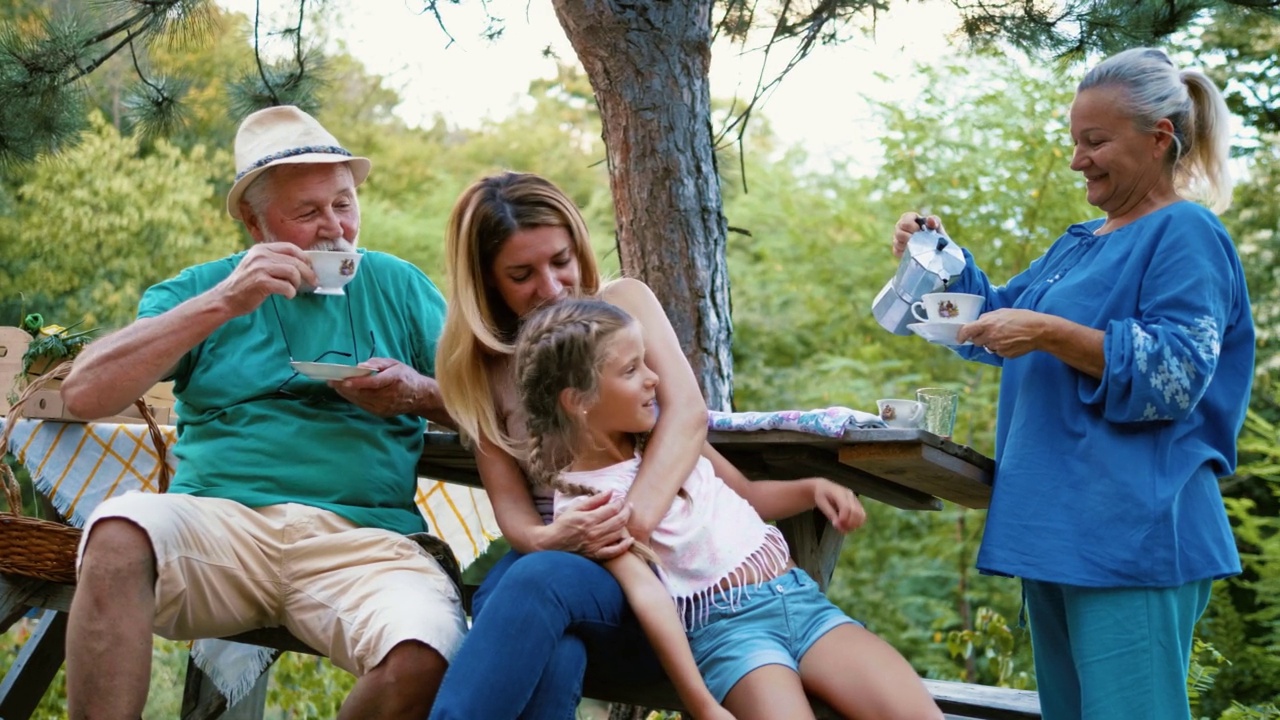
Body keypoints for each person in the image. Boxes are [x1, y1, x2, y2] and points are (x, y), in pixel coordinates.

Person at [430, 172, 911, 718]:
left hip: (661, 565)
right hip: (571, 549)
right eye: (522, 275)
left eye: (560, 260)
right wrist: (556, 537)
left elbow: (687, 416)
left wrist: (627, 528)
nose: (553, 286)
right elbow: (513, 512)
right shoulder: (479, 366)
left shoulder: (619, 308)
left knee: (530, 594)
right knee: (533, 604)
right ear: (487, 281)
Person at [60, 105, 467, 720]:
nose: (335, 229)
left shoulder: (399, 286)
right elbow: (84, 393)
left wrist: (419, 394)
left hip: (364, 541)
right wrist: (223, 302)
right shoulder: (203, 289)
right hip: (220, 525)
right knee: (119, 533)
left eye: (344, 204)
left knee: (429, 649)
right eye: (307, 213)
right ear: (255, 222)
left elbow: (499, 406)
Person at [890, 47, 1254, 720]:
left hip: (1133, 534)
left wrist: (1051, 333)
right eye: (1074, 142)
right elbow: (999, 325)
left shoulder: (1186, 232)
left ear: (1159, 138)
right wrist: (940, 260)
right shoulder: (1080, 243)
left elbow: (1177, 375)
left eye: (1095, 142)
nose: (1077, 159)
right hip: (1055, 529)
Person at [514, 297, 944, 720]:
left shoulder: (670, 436)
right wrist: (703, 705)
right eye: (631, 370)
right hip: (729, 633)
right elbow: (648, 596)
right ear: (578, 400)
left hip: (799, 599)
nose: (653, 379)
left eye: (646, 362)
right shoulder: (587, 502)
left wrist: (812, 488)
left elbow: (747, 494)